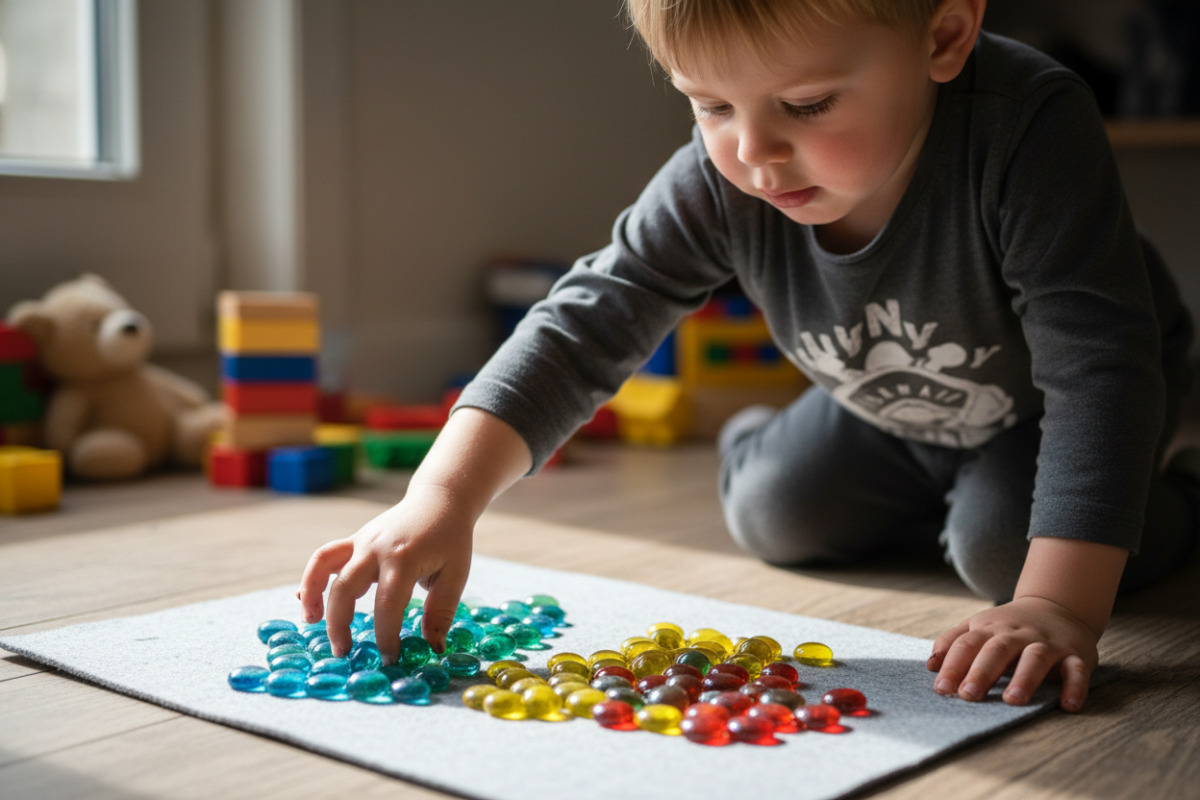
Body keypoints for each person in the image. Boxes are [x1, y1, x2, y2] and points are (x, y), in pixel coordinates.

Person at [299, 0, 1198, 713]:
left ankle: (1180, 492)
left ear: (947, 35)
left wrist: (1060, 606)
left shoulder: (1029, 128)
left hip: (1054, 415)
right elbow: (589, 319)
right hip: (882, 406)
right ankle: (822, 459)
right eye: (710, 104)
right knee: (776, 511)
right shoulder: (720, 173)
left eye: (806, 106)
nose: (753, 154)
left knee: (1002, 550)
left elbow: (1100, 369)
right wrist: (440, 497)